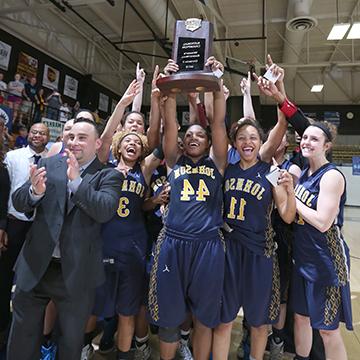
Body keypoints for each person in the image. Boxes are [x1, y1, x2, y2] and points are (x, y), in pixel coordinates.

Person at [7, 119, 125, 360]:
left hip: (77, 273)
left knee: (70, 344)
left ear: (97, 143)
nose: (74, 142)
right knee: (21, 338)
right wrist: (34, 193)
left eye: (82, 138)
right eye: (70, 137)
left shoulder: (109, 175)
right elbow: (19, 201)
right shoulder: (48, 164)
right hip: (36, 265)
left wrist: (76, 182)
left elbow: (104, 211)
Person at [148, 57, 228, 360]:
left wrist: (216, 82)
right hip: (173, 242)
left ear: (208, 143)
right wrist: (168, 86)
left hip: (208, 245)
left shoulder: (217, 163)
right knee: (169, 315)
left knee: (205, 317)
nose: (193, 137)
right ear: (183, 142)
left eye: (200, 135)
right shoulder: (172, 161)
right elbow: (170, 123)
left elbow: (218, 122)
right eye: (189, 135)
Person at [220, 118, 296, 360]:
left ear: (261, 142)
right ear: (234, 144)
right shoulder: (226, 170)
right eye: (241, 137)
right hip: (229, 250)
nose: (247, 142)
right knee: (224, 319)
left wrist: (290, 190)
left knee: (259, 322)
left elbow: (287, 215)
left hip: (259, 253)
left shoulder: (271, 173)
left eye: (253, 137)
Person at [291, 123, 352, 360]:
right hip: (303, 256)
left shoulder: (332, 176)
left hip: (326, 260)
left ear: (326, 146)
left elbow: (323, 222)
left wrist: (292, 198)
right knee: (301, 317)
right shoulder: (305, 174)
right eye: (304, 137)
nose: (306, 142)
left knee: (327, 329)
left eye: (314, 139)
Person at [0, 123, 49, 351]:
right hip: (14, 223)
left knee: (30, 279)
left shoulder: (53, 159)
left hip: (39, 227)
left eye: (43, 133)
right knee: (6, 273)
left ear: (49, 137)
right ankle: (3, 324)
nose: (38, 135)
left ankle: (27, 326)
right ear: (29, 134)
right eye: (35, 131)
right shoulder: (12, 157)